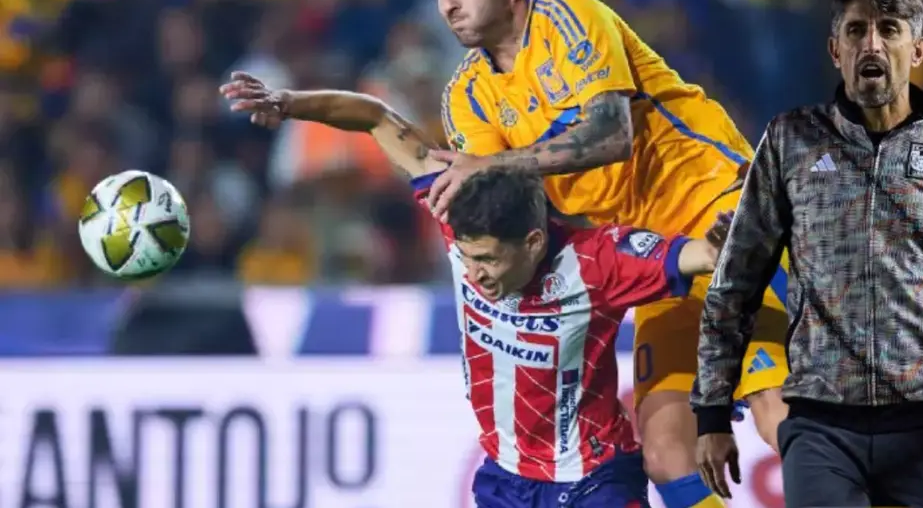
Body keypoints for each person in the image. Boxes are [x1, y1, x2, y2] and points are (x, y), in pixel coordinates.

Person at [221, 72, 734, 507]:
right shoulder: (454, 212)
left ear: (534, 242)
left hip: (594, 480)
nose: (477, 274)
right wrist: (288, 103)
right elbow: (376, 117)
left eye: (488, 259)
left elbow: (699, 255)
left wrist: (720, 239)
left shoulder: (599, 261)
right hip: (505, 479)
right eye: (468, 258)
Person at [422, 0, 790, 505]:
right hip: (653, 254)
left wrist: (495, 167)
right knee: (668, 453)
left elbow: (611, 133)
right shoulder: (467, 96)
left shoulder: (567, 16)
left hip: (716, 205)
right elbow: (503, 206)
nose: (448, 3)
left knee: (773, 404)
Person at [690, 0, 923, 507]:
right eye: (856, 31)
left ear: (919, 49)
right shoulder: (791, 143)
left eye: (889, 29)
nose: (872, 44)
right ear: (835, 51)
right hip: (820, 424)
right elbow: (734, 284)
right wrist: (712, 413)